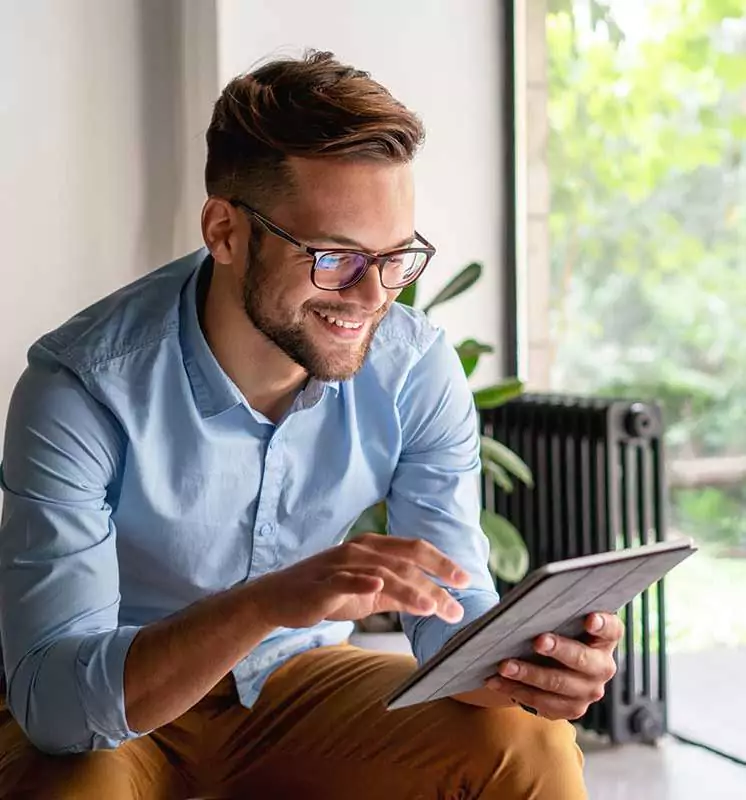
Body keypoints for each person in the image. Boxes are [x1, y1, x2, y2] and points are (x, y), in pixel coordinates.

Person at [0, 51, 621, 799]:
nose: (370, 296)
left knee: (529, 743)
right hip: (127, 695)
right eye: (334, 257)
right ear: (225, 231)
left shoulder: (414, 369)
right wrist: (268, 600)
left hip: (297, 683)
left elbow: (449, 620)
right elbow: (57, 708)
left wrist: (530, 666)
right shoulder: (82, 387)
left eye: (397, 258)